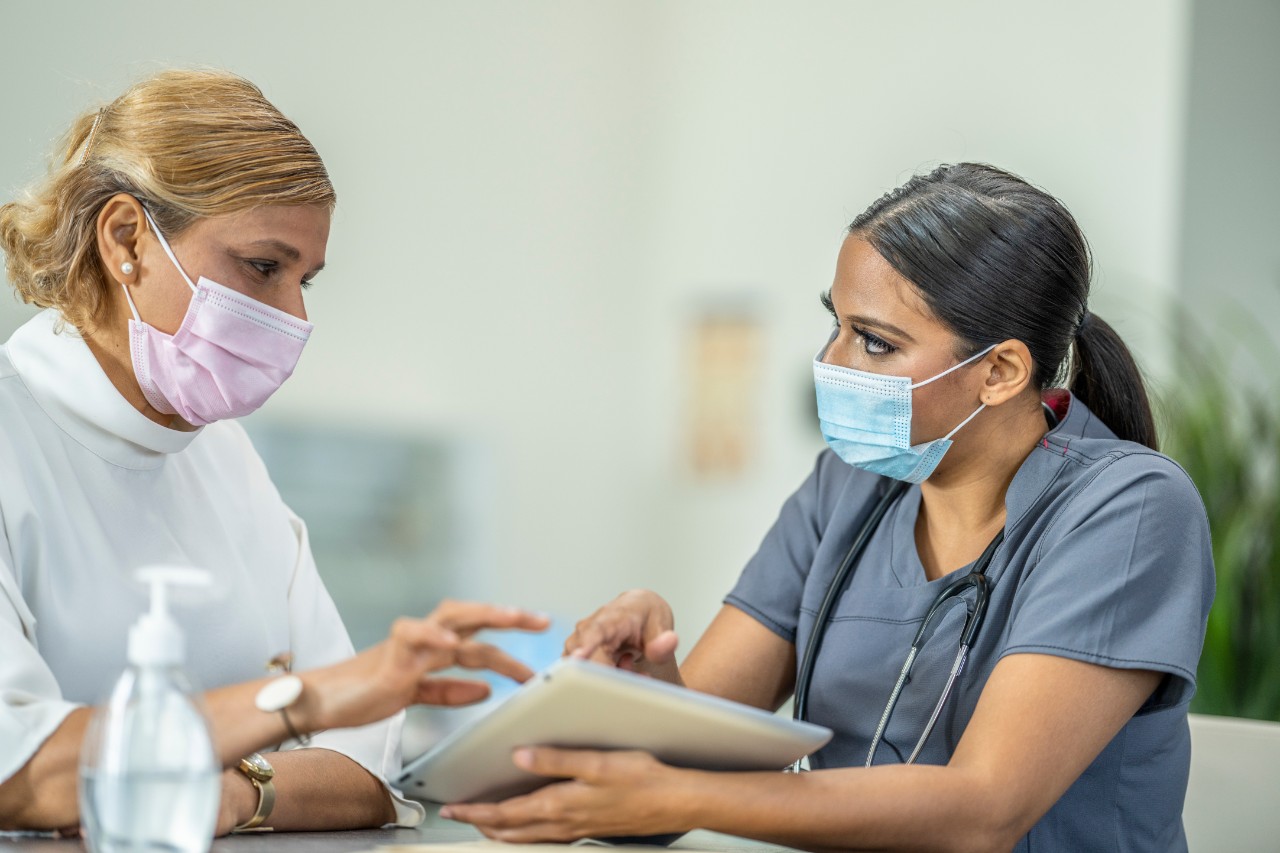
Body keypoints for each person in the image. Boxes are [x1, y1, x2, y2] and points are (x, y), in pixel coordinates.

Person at [443, 163, 1216, 852]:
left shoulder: (1131, 510)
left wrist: (675, 789)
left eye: (874, 342)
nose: (830, 363)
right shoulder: (846, 489)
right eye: (835, 326)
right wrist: (647, 692)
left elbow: (984, 810)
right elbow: (657, 798)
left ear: (1002, 370)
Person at [0, 69, 548, 836]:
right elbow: (23, 775)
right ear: (125, 238)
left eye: (306, 279)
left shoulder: (225, 459)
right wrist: (303, 706)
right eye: (263, 267)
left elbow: (364, 767)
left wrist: (235, 791)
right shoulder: (13, 442)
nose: (293, 315)